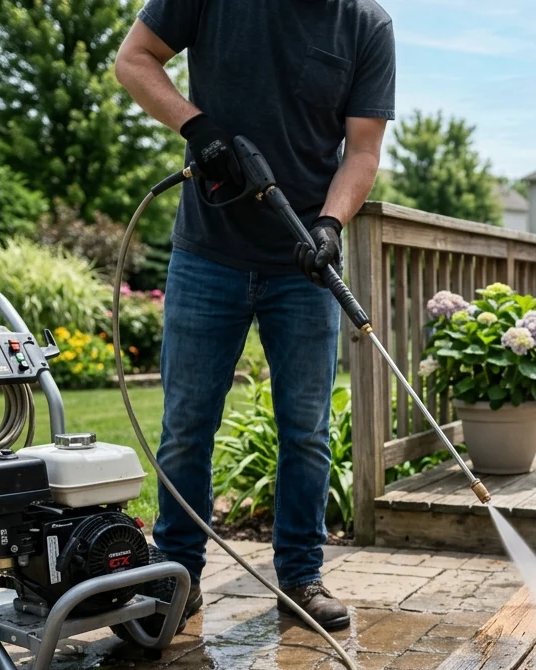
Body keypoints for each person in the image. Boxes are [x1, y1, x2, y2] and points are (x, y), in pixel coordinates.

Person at [115, 0, 395, 631]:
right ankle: (178, 577)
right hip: (207, 252)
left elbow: (363, 150)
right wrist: (196, 127)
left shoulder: (366, 24)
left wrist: (330, 224)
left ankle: (300, 578)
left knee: (307, 430)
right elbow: (134, 60)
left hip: (303, 261)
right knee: (187, 424)